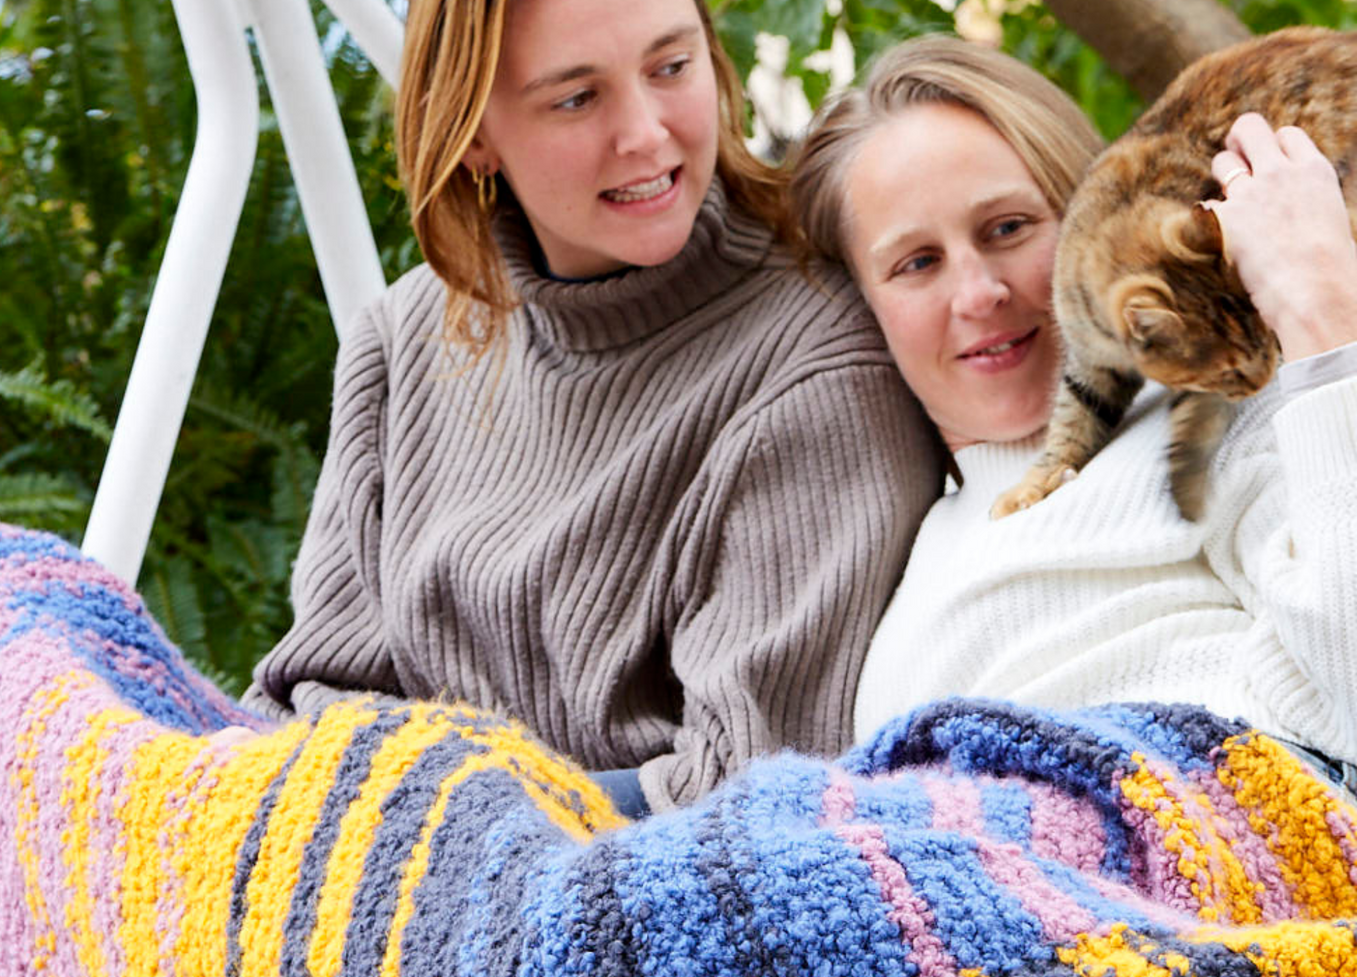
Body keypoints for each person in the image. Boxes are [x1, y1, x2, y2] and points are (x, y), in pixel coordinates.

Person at [245, 0, 944, 817]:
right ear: (472, 133)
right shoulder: (402, 341)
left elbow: (749, 787)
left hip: (639, 911)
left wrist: (423, 827)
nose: (646, 134)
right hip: (384, 882)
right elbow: (317, 696)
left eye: (670, 67)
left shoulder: (816, 361)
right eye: (577, 98)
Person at [790, 34, 1357, 791]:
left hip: (1199, 826)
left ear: (1091, 215)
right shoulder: (894, 555)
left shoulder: (1219, 420)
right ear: (863, 306)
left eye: (1008, 228)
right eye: (917, 263)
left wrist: (1324, 323)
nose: (980, 292)